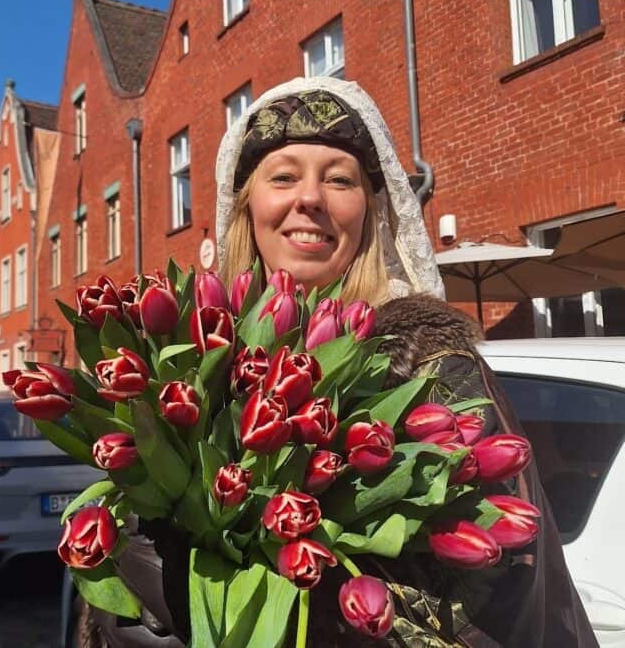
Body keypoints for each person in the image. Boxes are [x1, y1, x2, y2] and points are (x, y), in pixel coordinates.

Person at [81, 77, 596, 647]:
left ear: (370, 213)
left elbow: (501, 589)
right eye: (283, 176)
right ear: (246, 204)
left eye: (339, 180)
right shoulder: (192, 358)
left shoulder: (433, 369)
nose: (310, 199)